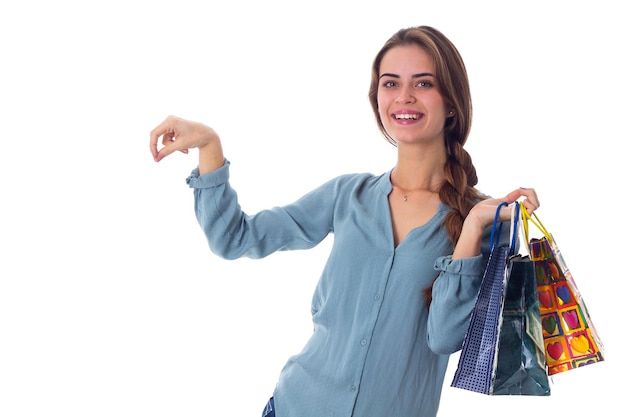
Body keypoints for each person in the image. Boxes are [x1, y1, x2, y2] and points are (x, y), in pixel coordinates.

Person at [149, 25, 539, 417]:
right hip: (295, 406)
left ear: (451, 102)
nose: (404, 96)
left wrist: (471, 230)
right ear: (377, 99)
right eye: (391, 83)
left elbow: (444, 338)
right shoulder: (346, 196)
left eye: (423, 83)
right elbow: (234, 239)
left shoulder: (487, 220)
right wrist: (209, 145)